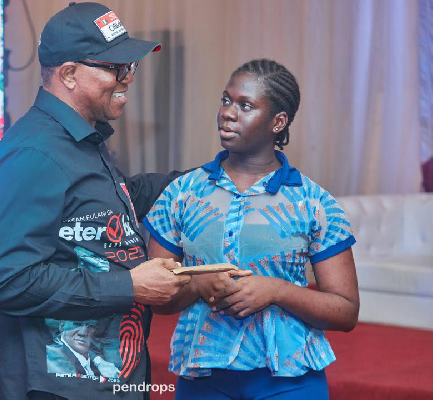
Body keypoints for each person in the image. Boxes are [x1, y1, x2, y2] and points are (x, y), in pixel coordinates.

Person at [0, 3, 247, 399]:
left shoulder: (78, 139)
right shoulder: (35, 153)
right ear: (69, 74)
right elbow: (10, 280)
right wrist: (129, 286)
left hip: (104, 376)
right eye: (116, 68)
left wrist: (213, 177)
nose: (128, 78)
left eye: (131, 67)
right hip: (54, 386)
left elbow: (113, 199)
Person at [144, 59, 360, 399]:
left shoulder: (314, 202)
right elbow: (157, 299)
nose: (228, 112)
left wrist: (277, 291)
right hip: (202, 376)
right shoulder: (181, 193)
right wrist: (197, 283)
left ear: (278, 122)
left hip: (290, 381)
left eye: (246, 106)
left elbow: (346, 311)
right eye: (226, 100)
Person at [46, 320, 120, 378]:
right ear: (62, 325)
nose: (83, 333)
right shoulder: (50, 357)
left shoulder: (101, 363)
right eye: (77, 324)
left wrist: (98, 360)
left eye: (91, 326)